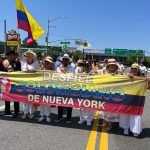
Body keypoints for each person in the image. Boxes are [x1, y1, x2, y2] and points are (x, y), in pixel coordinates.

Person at [119, 63, 148, 137]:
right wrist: (127, 77)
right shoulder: (127, 76)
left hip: (137, 99)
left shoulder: (142, 79)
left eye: (135, 68)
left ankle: (135, 130)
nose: (133, 70)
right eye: (132, 68)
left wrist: (148, 81)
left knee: (136, 113)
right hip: (127, 97)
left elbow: (148, 87)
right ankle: (125, 128)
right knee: (125, 112)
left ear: (138, 70)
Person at [17, 38, 40, 119]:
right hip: (24, 83)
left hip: (33, 83)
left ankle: (31, 113)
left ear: (32, 56)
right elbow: (19, 52)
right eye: (27, 55)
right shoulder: (23, 61)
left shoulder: (36, 63)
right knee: (24, 99)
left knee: (31, 98)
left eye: (30, 55)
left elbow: (39, 73)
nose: (28, 56)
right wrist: (19, 43)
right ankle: (25, 113)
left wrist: (33, 72)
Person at [99, 59, 120, 131]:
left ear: (115, 66)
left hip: (114, 94)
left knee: (111, 109)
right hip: (105, 93)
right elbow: (95, 74)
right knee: (106, 108)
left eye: (113, 65)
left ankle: (110, 124)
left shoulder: (119, 73)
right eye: (110, 65)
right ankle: (107, 121)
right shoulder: (104, 73)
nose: (112, 66)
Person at [55, 53, 75, 123]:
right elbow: (57, 77)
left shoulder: (72, 68)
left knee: (69, 103)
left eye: (66, 60)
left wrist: (64, 74)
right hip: (61, 87)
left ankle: (68, 118)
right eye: (64, 60)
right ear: (62, 60)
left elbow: (72, 77)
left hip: (69, 87)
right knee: (60, 103)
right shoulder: (58, 68)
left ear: (68, 61)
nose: (65, 61)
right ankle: (59, 116)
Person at [2, 50, 21, 117]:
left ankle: (16, 111)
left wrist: (13, 72)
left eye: (10, 55)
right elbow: (2, 71)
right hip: (7, 82)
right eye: (8, 55)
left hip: (15, 82)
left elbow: (19, 71)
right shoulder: (5, 62)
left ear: (13, 55)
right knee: (6, 96)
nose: (8, 56)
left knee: (15, 97)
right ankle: (7, 111)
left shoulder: (18, 62)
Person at [78, 61, 95, 126]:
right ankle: (82, 119)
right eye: (85, 66)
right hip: (82, 92)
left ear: (90, 67)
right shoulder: (81, 74)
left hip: (90, 93)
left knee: (89, 107)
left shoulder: (94, 74)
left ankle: (89, 120)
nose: (86, 67)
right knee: (82, 107)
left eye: (88, 66)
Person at [38, 56, 54, 123]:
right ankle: (42, 115)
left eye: (49, 62)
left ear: (51, 64)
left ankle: (47, 115)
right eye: (46, 62)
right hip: (42, 88)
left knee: (48, 103)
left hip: (49, 89)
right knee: (41, 102)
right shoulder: (41, 70)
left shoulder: (53, 71)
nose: (47, 63)